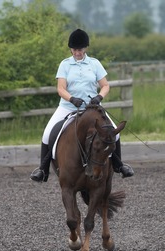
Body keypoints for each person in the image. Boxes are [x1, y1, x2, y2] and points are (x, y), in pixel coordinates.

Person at [30, 28, 134, 182]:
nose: (77, 52)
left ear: (85, 48)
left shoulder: (94, 63)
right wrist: (72, 99)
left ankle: (119, 165)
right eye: (74, 49)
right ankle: (43, 170)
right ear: (71, 49)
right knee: (47, 133)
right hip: (68, 107)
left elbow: (105, 85)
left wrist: (99, 96)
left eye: (80, 49)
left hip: (91, 108)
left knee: (114, 132)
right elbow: (60, 88)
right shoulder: (65, 65)